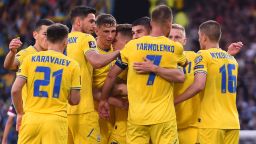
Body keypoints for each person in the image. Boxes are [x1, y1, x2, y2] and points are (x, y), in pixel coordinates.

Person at [134, 23, 243, 143]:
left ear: (185, 41)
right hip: (161, 125)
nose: (174, 41)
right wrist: (227, 55)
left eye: (177, 37)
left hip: (193, 128)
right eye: (170, 37)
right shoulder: (153, 61)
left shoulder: (195, 57)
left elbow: (211, 67)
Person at [99, 5, 186, 144]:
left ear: (151, 23)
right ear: (170, 24)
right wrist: (157, 68)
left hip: (137, 117)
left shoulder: (132, 46)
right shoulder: (175, 47)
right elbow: (182, 73)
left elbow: (111, 75)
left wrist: (103, 99)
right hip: (164, 118)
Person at [11, 23, 81, 144]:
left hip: (31, 119)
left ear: (47, 39)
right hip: (56, 122)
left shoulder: (30, 59)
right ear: (66, 41)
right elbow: (74, 100)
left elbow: (15, 90)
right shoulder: (73, 65)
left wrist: (20, 113)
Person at [174, 20, 240, 144]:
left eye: (199, 37)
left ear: (203, 38)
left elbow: (199, 85)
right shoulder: (232, 60)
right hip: (233, 123)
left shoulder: (203, 55)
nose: (199, 40)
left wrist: (175, 101)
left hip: (212, 123)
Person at [67, 6, 120, 144]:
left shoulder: (63, 40)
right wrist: (120, 52)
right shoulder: (86, 38)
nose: (93, 25)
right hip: (83, 110)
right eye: (91, 21)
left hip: (63, 112)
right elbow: (96, 61)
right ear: (78, 22)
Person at [92, 13, 117, 144]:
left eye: (113, 31)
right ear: (96, 31)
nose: (110, 36)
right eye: (106, 31)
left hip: (115, 115)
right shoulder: (91, 53)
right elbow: (90, 89)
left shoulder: (116, 48)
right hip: (96, 112)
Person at [108, 24, 132, 144]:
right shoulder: (115, 63)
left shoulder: (132, 64)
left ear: (128, 43)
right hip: (118, 126)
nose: (111, 43)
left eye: (115, 41)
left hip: (126, 129)